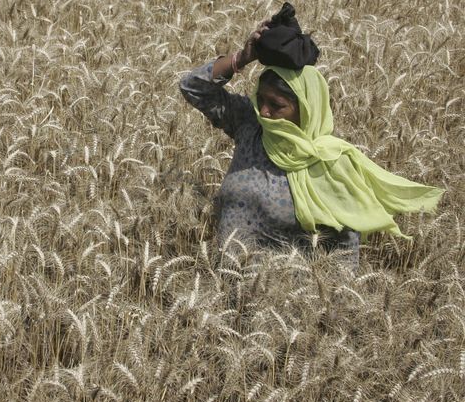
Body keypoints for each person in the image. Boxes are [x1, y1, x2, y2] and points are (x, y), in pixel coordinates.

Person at [179, 14, 444, 269]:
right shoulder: (250, 126)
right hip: (224, 296)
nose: (265, 111)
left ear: (306, 109)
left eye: (277, 105)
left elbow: (344, 259)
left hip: (283, 303)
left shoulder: (332, 164)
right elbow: (192, 86)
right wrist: (243, 57)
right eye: (261, 100)